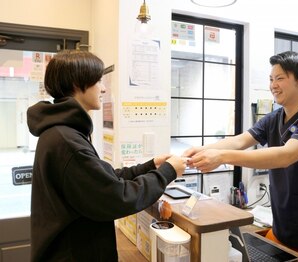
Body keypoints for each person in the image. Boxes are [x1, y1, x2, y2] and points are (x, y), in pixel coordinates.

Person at [183, 51, 298, 261]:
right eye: (271, 79)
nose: (273, 85)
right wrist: (202, 150)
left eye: (280, 78)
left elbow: (285, 155)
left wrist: (221, 157)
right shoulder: (274, 117)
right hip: (284, 227)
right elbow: (240, 141)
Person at [27, 50, 187, 262]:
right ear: (77, 83)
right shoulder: (67, 141)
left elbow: (103, 178)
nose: (103, 88)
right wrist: (168, 172)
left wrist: (151, 166)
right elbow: (116, 197)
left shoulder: (63, 132)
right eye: (98, 81)